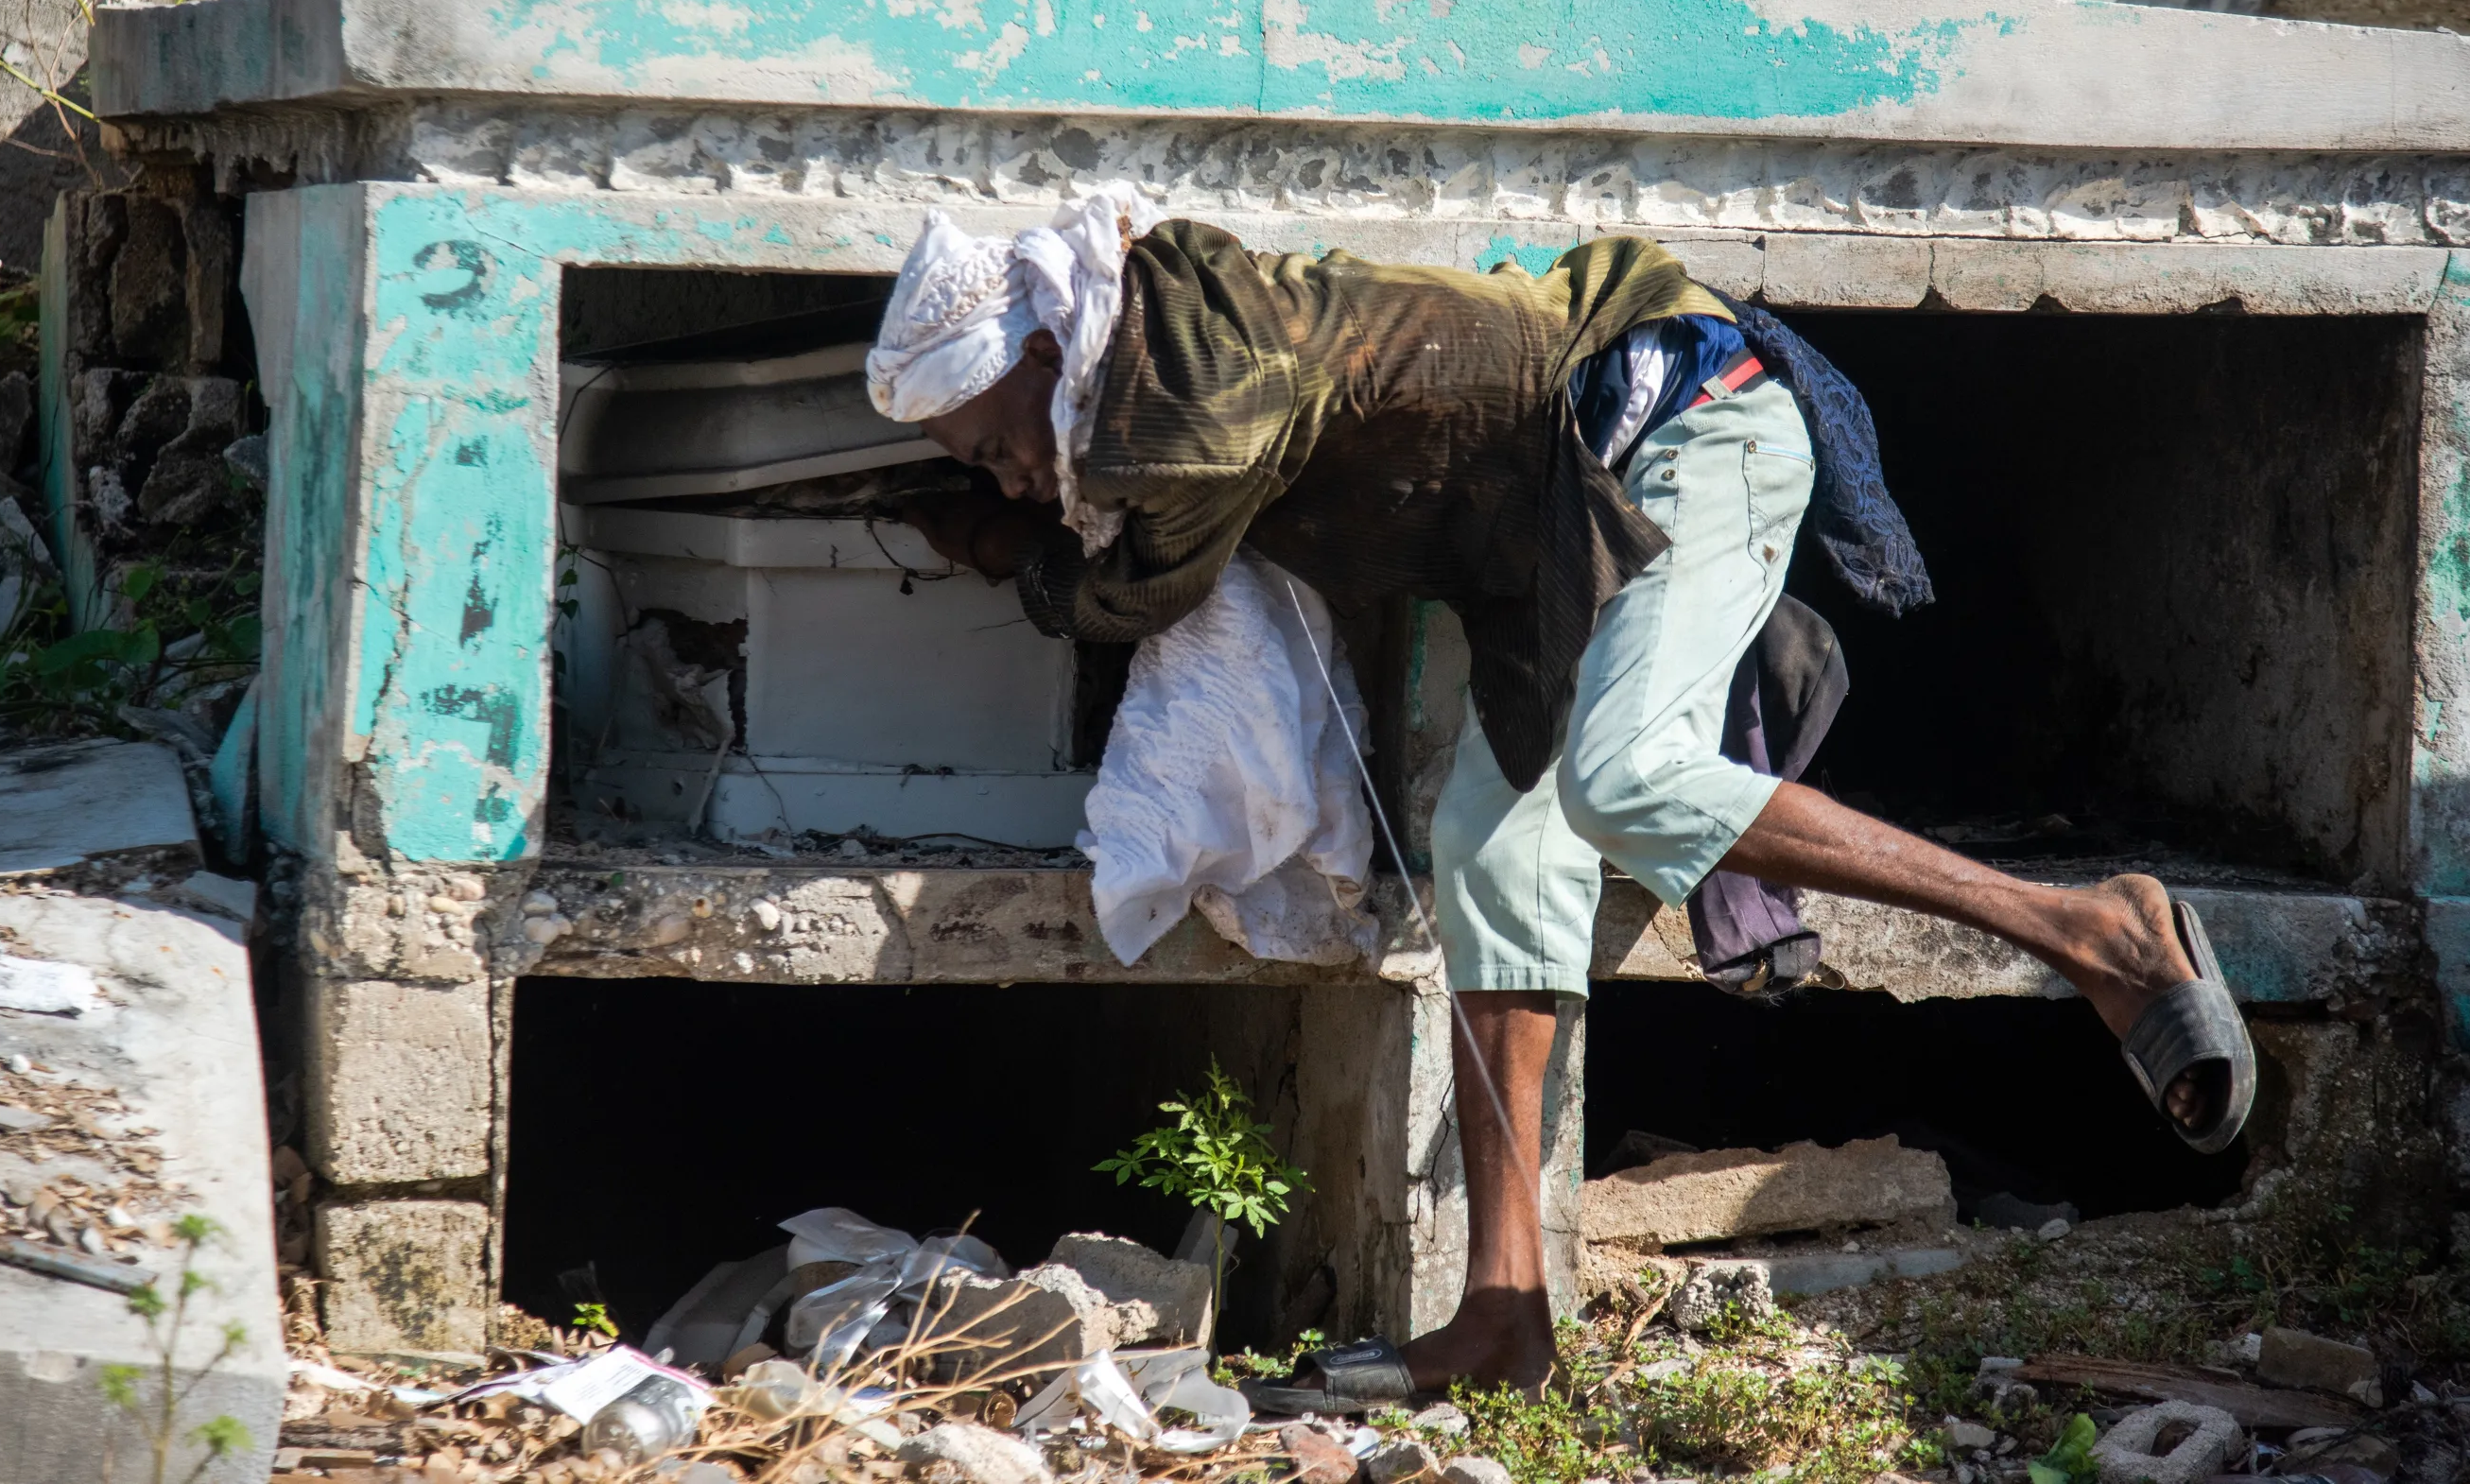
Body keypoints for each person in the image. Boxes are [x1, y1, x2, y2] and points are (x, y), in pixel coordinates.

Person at [864, 192, 2254, 1406]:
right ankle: (1505, 1311)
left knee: (1623, 772)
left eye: (990, 441)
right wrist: (1013, 518)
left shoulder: (1181, 367)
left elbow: (1143, 579)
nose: (1006, 470)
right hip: (1559, 539)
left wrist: (1003, 544)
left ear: (1044, 352)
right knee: (1486, 840)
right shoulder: (1152, 360)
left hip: (1690, 426)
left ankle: (2089, 926)